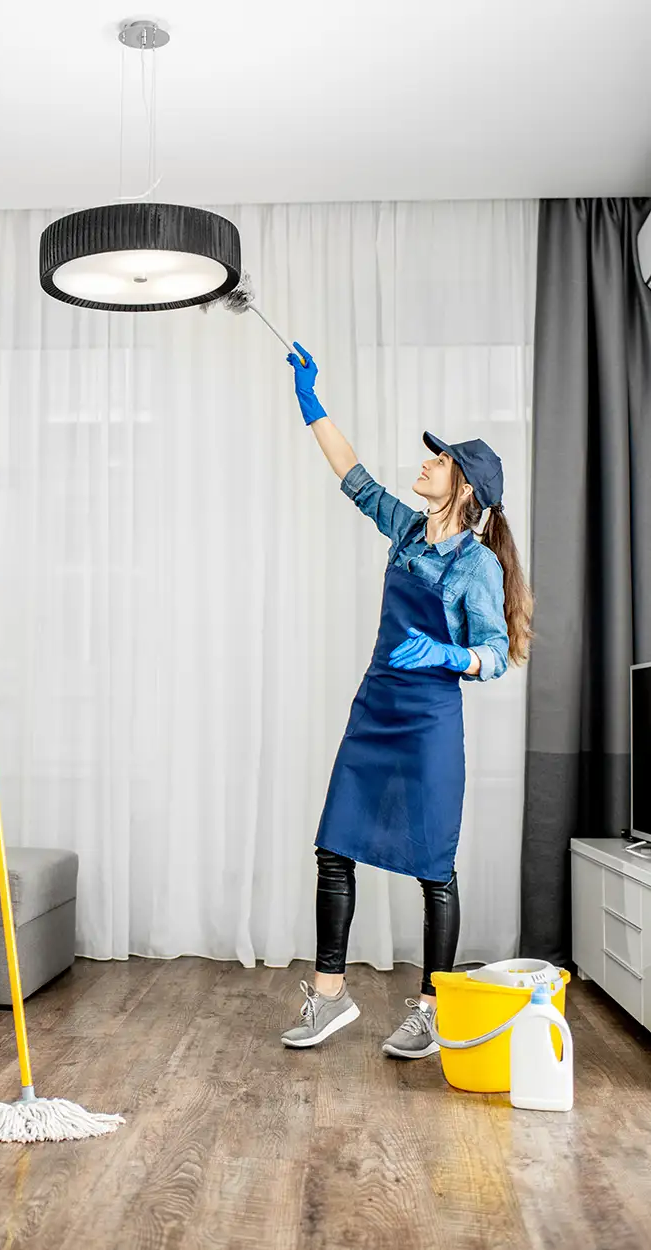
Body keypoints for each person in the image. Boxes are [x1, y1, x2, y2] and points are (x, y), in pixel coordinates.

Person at [280, 342, 533, 1059]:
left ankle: (432, 1008)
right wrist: (311, 403)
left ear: (464, 487)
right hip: (375, 710)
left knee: (434, 867)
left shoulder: (478, 564)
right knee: (335, 846)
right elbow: (350, 473)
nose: (425, 462)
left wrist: (448, 655)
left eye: (440, 459)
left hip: (428, 723)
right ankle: (330, 998)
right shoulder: (407, 530)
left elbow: (494, 656)